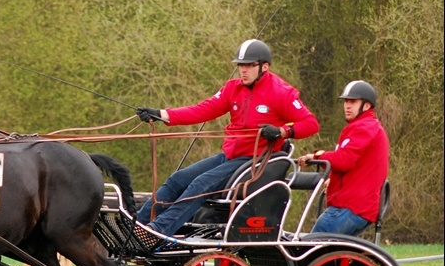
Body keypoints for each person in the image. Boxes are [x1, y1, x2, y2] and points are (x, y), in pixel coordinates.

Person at [134, 38, 320, 237]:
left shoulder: (281, 92)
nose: (243, 70)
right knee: (177, 180)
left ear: (264, 67)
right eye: (241, 65)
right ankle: (136, 223)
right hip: (229, 156)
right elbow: (203, 110)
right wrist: (163, 114)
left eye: (249, 65)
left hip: (254, 161)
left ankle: (156, 230)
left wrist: (282, 131)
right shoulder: (233, 88)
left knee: (200, 185)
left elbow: (310, 124)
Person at [297, 80, 389, 237]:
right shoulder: (364, 126)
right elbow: (356, 163)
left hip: (349, 207)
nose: (347, 105)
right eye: (346, 101)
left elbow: (344, 160)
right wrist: (332, 178)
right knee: (323, 252)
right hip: (355, 206)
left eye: (352, 102)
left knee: (309, 250)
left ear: (366, 106)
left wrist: (317, 156)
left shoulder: (363, 128)